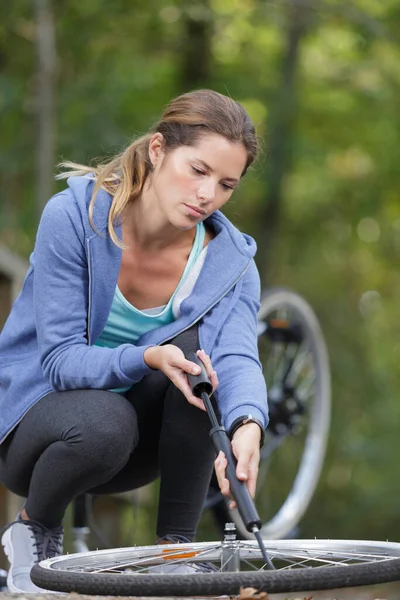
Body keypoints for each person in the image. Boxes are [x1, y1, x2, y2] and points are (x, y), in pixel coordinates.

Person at [0, 89, 268, 592]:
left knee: (196, 361)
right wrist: (146, 356)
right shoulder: (74, 217)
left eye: (226, 184)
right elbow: (59, 360)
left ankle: (178, 552)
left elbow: (236, 355)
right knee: (109, 419)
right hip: (36, 434)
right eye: (198, 170)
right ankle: (33, 530)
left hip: (135, 454)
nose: (208, 194)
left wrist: (249, 421)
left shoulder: (230, 262)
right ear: (158, 149)